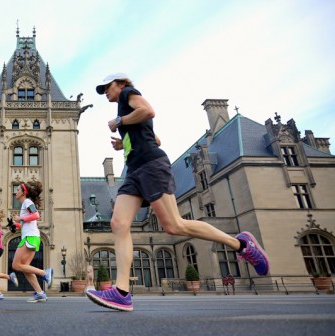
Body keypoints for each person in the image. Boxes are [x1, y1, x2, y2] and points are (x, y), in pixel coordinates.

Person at [86, 73, 270, 312]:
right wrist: (125, 141)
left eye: (107, 88)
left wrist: (120, 122)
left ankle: (240, 244)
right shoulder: (127, 110)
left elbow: (149, 111)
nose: (106, 93)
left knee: (174, 226)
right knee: (118, 223)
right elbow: (156, 138)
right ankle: (121, 292)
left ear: (121, 83)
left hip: (151, 165)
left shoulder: (127, 95)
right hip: (134, 170)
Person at [11, 181, 53, 303]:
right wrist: (16, 225)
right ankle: (40, 293)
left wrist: (21, 218)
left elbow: (36, 215)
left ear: (24, 192)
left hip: (30, 237)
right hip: (31, 236)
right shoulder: (25, 204)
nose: (16, 192)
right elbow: (27, 223)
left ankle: (45, 273)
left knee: (15, 265)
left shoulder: (27, 202)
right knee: (25, 267)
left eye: (18, 189)